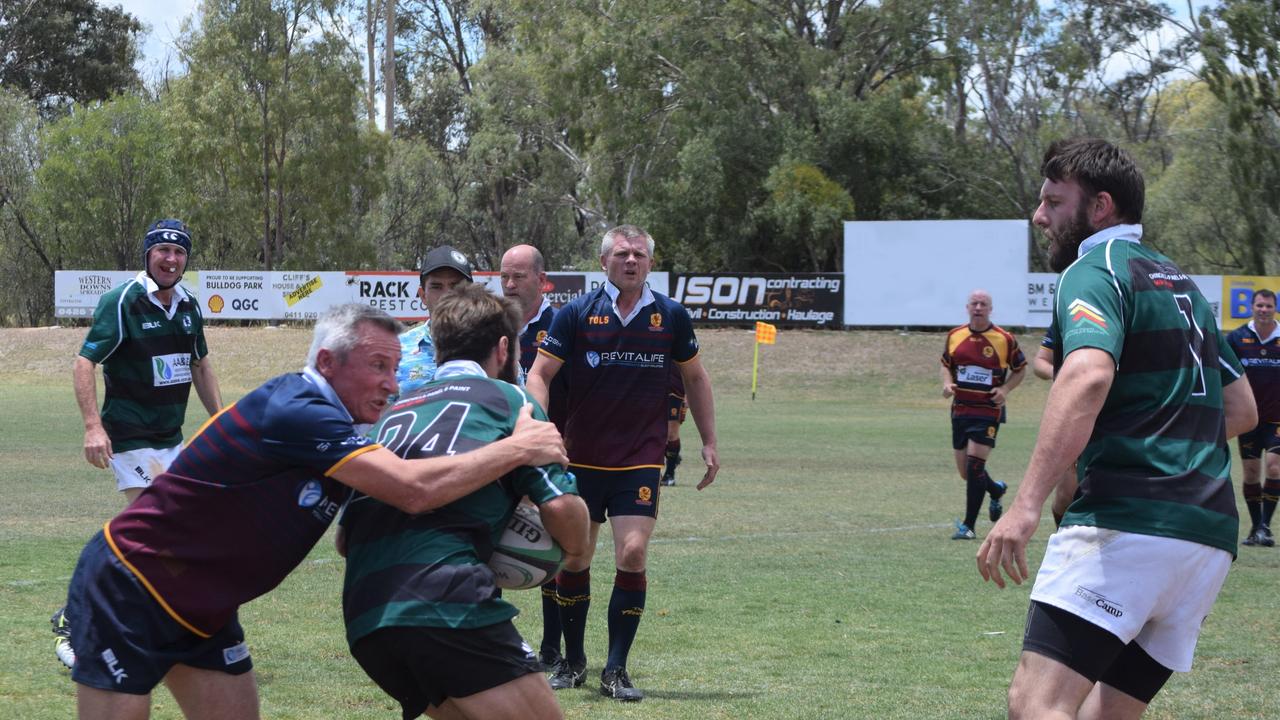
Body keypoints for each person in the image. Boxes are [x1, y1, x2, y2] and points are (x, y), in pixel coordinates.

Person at [64, 303, 568, 720]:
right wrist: (518, 449)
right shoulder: (299, 408)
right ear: (328, 362)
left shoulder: (343, 426)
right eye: (377, 367)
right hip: (131, 587)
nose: (392, 385)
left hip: (203, 607)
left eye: (395, 369)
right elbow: (412, 491)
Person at [978, 137, 1256, 719]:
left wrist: (1025, 506)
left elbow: (1085, 376)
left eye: (1054, 201)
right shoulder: (1182, 285)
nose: (1040, 217)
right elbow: (1241, 409)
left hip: (1127, 528)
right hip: (1205, 539)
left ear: (1100, 207)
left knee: (1038, 705)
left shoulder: (1094, 269)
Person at [339, 285, 590, 720]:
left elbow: (344, 539)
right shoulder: (511, 400)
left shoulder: (393, 416)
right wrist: (570, 548)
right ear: (503, 347)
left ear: (438, 347)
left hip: (367, 615)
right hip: (445, 600)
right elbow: (562, 511)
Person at [526, 224, 720, 702]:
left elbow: (695, 378)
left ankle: (616, 670)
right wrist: (539, 426)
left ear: (650, 262)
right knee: (576, 558)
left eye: (638, 254)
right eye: (620, 254)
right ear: (603, 261)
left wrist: (710, 441)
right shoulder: (576, 314)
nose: (630, 261)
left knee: (632, 554)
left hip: (639, 461)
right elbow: (539, 373)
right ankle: (573, 662)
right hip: (581, 461)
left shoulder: (671, 316)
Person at [56, 218, 224, 669]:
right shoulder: (122, 302)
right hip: (130, 436)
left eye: (179, 252)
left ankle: (155, 625)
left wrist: (222, 421)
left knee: (178, 531)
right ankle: (79, 620)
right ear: (147, 255)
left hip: (171, 438)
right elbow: (83, 363)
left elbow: (200, 365)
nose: (170, 259)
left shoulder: (189, 305)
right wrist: (93, 426)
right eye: (162, 251)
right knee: (151, 532)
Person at [500, 243, 571, 669]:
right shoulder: (491, 324)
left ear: (542, 281)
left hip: (550, 451)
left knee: (551, 544)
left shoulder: (563, 323)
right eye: (505, 276)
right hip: (500, 452)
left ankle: (553, 647)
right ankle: (497, 644)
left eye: (519, 276)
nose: (509, 284)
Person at [940, 289, 1026, 540]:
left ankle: (968, 526)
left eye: (983, 304)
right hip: (961, 409)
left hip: (987, 410)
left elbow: (1021, 369)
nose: (978, 307)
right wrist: (947, 384)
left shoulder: (1004, 338)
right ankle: (996, 490)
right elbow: (946, 365)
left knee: (975, 465)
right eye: (974, 303)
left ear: (990, 309)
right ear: (967, 307)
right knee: (966, 472)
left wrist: (1005, 388)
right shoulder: (955, 335)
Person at [1225, 288, 1280, 547]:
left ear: (1275, 308)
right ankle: (1256, 527)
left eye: (1268, 306)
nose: (1264, 310)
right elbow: (1224, 372)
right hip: (1249, 417)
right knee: (1249, 473)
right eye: (1260, 305)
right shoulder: (1237, 338)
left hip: (1277, 419)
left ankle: (1266, 527)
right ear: (1253, 307)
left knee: (1274, 467)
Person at [396, 245, 474, 398]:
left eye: (455, 285)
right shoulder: (398, 350)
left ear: (471, 292)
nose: (446, 295)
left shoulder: (494, 348)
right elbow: (382, 415)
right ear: (423, 295)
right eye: (437, 287)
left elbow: (518, 409)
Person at [1031, 326, 1078, 528]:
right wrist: (1062, 375)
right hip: (1072, 410)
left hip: (1118, 413)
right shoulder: (1067, 322)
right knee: (1065, 496)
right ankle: (1063, 540)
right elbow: (1039, 363)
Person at [660, 365, 687, 486]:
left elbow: (692, 370)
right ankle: (672, 457)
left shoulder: (682, 346)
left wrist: (688, 396)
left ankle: (669, 474)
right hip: (655, 388)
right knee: (654, 432)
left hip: (676, 391)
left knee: (671, 434)